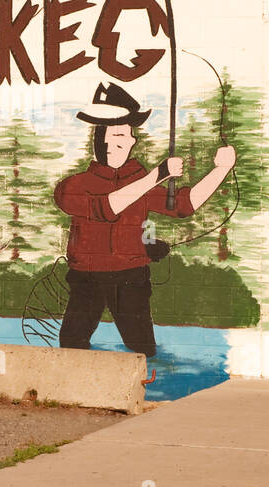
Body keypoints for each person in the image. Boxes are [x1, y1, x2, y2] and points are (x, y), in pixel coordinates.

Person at [53, 82, 236, 357]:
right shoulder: (75, 186)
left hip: (131, 277)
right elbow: (106, 207)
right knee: (72, 344)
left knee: (142, 348)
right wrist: (156, 175)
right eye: (117, 135)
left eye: (127, 136)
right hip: (87, 278)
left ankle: (143, 386)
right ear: (99, 139)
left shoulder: (139, 182)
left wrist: (221, 170)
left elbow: (184, 205)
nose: (126, 143)